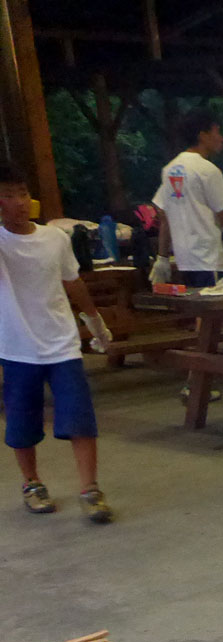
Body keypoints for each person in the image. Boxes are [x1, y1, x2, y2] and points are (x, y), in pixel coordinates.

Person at [0, 160, 114, 522]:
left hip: (62, 344)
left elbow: (72, 281)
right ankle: (32, 483)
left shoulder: (54, 238)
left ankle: (90, 489)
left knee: (80, 417)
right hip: (17, 348)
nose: (18, 202)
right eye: (7, 196)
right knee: (22, 423)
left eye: (22, 194)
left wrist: (95, 321)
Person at [150, 109, 223, 287]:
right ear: (203, 136)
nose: (221, 138)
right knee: (214, 302)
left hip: (183, 261)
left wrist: (162, 258)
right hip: (207, 259)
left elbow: (164, 216)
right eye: (217, 132)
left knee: (195, 302)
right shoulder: (207, 170)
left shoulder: (169, 170)